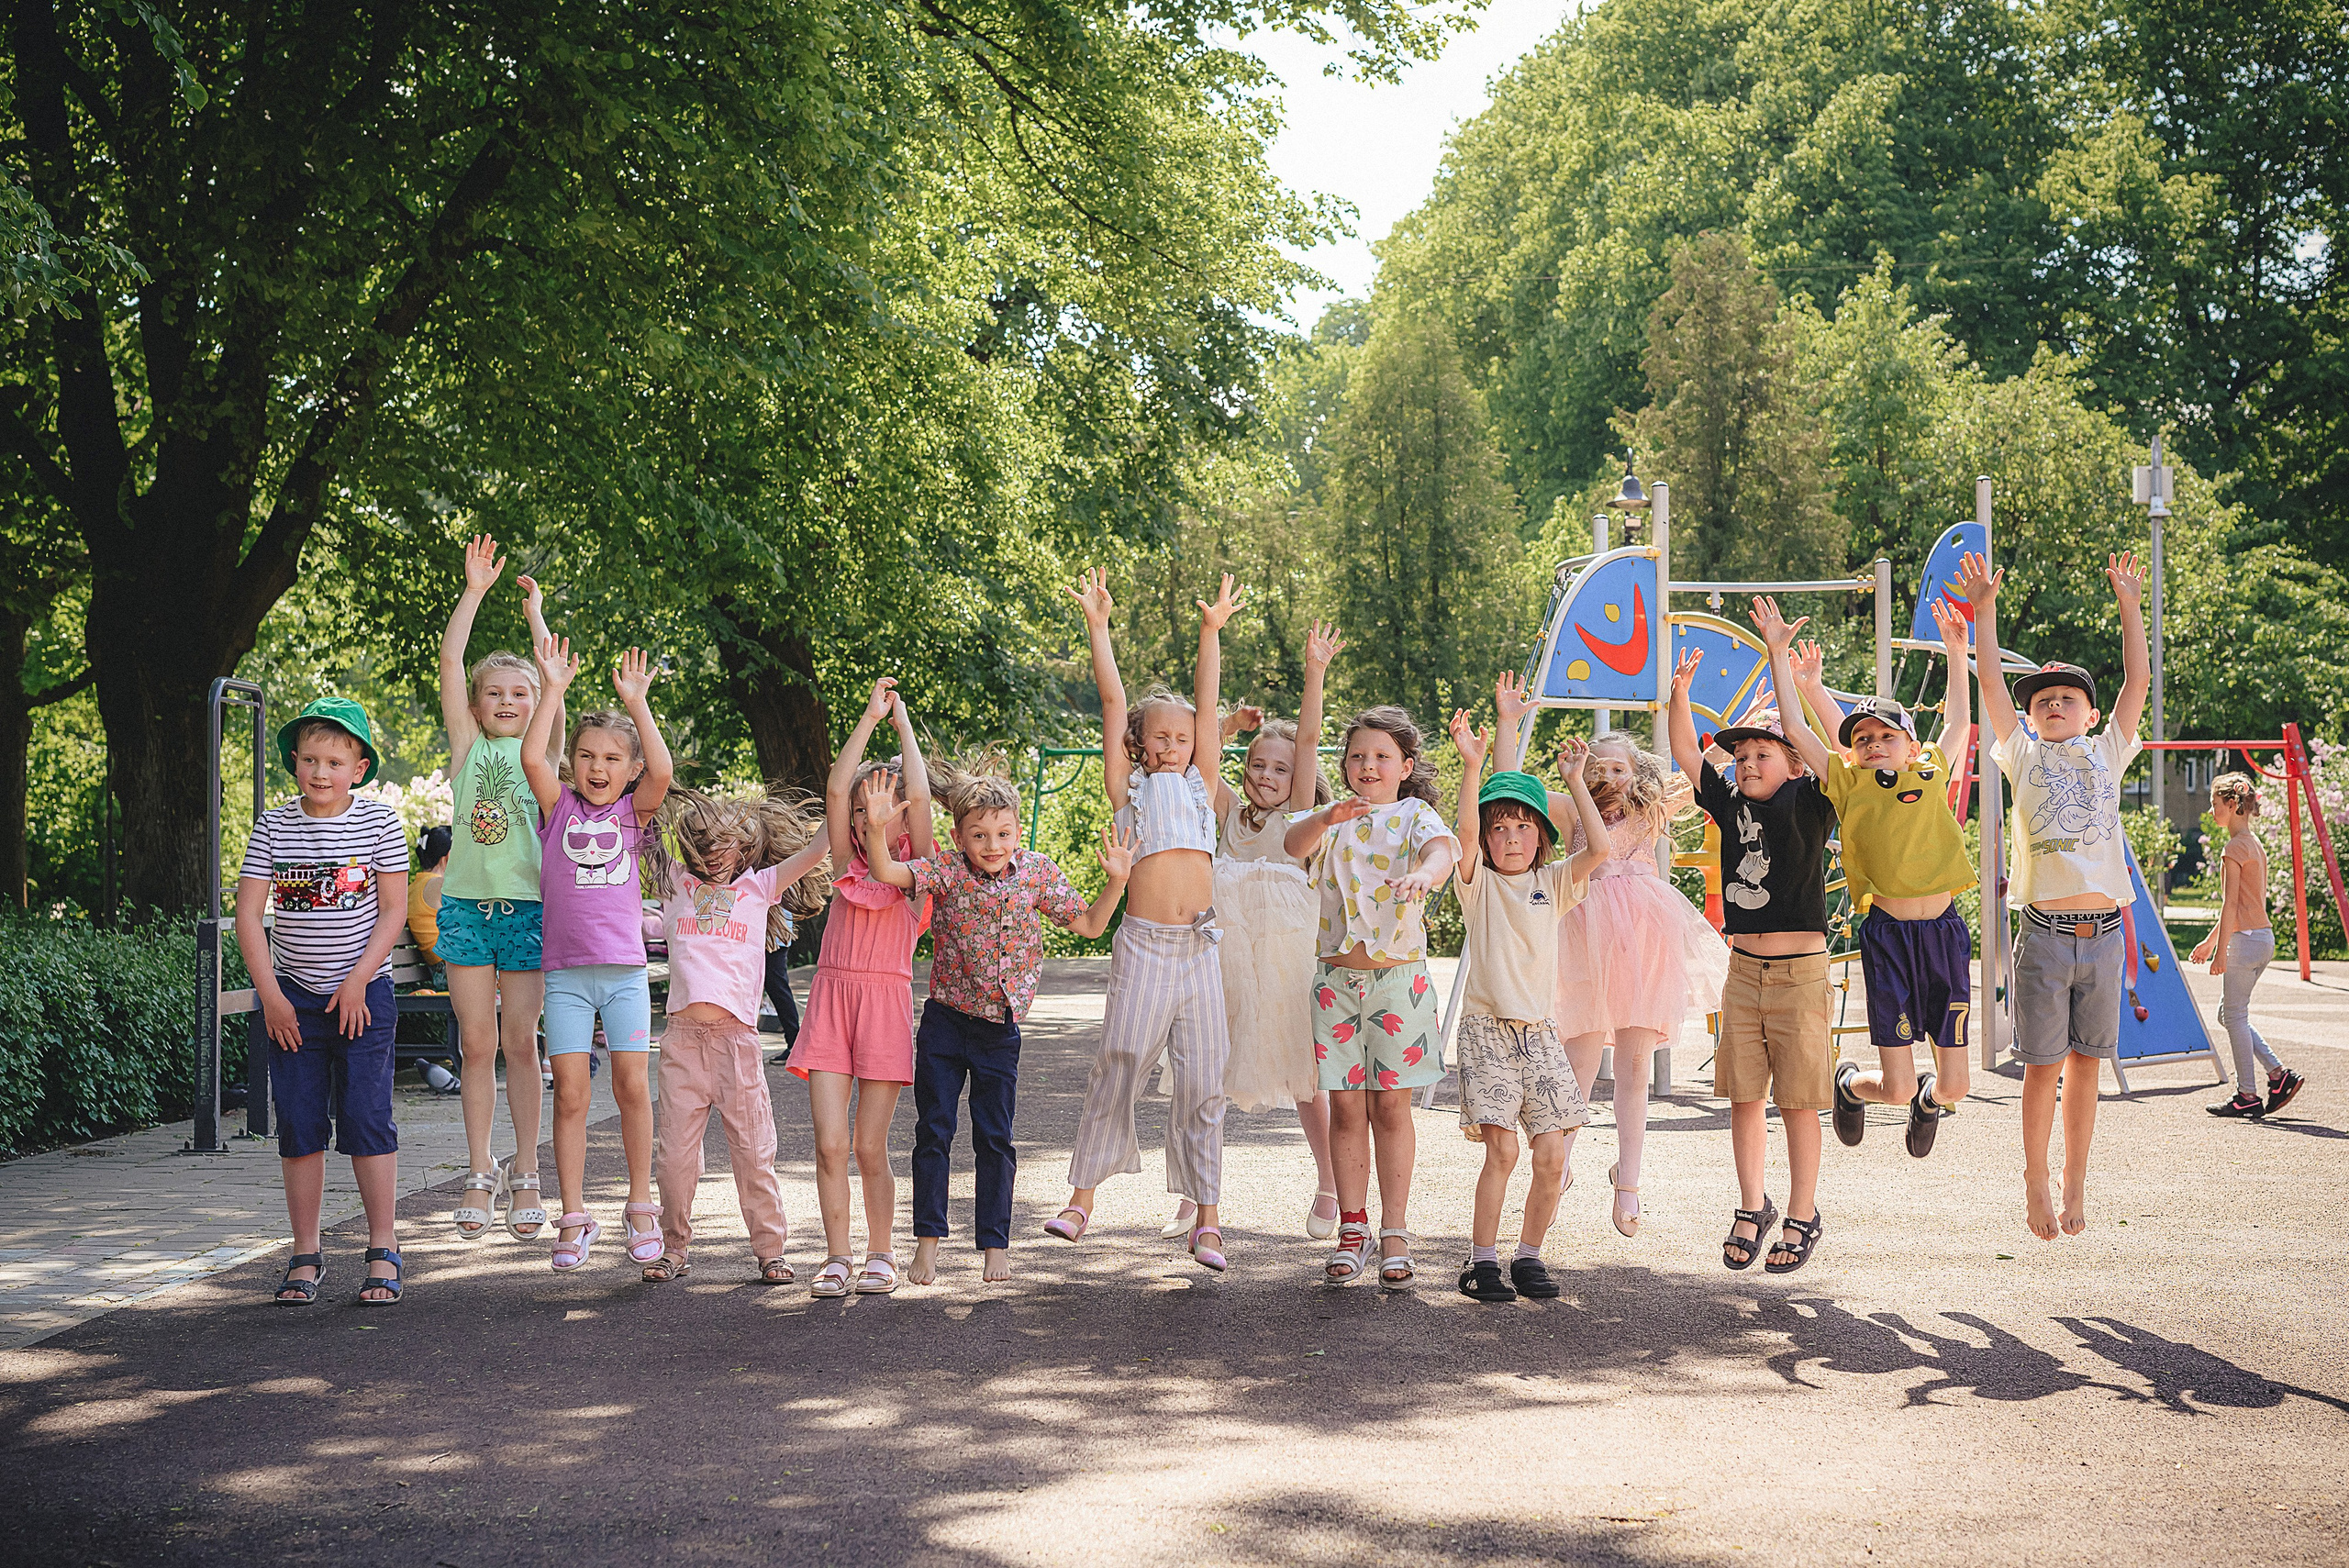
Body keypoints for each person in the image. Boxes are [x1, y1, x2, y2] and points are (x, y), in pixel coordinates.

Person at [861, 766, 1131, 1285]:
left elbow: (1091, 925)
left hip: (999, 1030)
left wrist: (1117, 880)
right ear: (959, 835)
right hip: (945, 1022)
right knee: (933, 1133)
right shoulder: (946, 871)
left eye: (1003, 834)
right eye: (979, 835)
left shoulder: (1037, 874)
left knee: (995, 1139)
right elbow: (888, 874)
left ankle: (995, 1247)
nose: (992, 844)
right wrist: (876, 831)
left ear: (1018, 833)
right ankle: (927, 1247)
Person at [1494, 675, 1728, 1238]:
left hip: (1644, 938)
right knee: (1577, 1061)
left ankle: (1629, 1177)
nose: (1607, 778)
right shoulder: (1572, 813)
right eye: (1596, 769)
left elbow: (1700, 763)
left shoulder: (1651, 810)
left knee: (1633, 1064)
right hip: (1583, 940)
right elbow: (1507, 788)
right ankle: (1564, 1157)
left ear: (1636, 773)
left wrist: (1728, 726)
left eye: (1618, 769)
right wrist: (1508, 723)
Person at [1959, 549, 2149, 1240]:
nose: (2056, 704)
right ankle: (2035, 1181)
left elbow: (2138, 679)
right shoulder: (2023, 754)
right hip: (2042, 934)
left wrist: (2130, 602)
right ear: (2032, 718)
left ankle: (2075, 1182)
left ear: (2092, 713)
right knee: (2042, 1067)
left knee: (2087, 1067)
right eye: (2044, 700)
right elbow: (1990, 687)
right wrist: (1984, 610)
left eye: (2070, 697)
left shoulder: (2108, 750)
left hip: (2102, 935)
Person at [1052, 569, 1238, 1273]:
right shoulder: (1127, 789)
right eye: (1156, 737)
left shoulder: (1202, 784)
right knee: (1121, 1060)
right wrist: (1098, 628)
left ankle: (1208, 1220)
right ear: (1138, 744)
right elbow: (1112, 698)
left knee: (1203, 1081)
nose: (1169, 745)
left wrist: (1210, 631)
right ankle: (1081, 1197)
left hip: (1200, 950)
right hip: (1144, 947)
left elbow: (1210, 698)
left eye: (1182, 736)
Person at [1159, 617, 1344, 1244]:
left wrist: (1313, 672)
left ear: (1297, 778)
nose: (1266, 775)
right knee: (1200, 1069)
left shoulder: (1298, 817)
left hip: (1284, 963)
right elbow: (1199, 746)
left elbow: (1312, 737)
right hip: (1222, 957)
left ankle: (1331, 1183)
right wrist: (1228, 724)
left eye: (1279, 768)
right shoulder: (1229, 810)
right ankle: (1191, 1193)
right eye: (1258, 763)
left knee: (1303, 1076)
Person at [1774, 600, 1979, 1158]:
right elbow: (1796, 727)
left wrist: (1958, 650)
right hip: (1889, 936)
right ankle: (1847, 1085)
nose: (1871, 744)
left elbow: (1959, 719)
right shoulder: (1846, 782)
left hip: (1942, 935)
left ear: (1911, 746)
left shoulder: (1933, 767)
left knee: (1955, 1086)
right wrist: (1785, 661)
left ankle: (1930, 1103)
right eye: (1861, 739)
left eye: (1884, 736)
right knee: (1895, 1087)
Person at [1674, 611, 1838, 1273]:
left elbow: (1823, 748)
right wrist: (1679, 697)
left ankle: (1803, 1211)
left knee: (1798, 1099)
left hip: (1799, 972)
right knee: (1745, 1096)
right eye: (1740, 756)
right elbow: (1690, 753)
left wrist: (1782, 660)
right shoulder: (1731, 804)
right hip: (1744, 971)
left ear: (1794, 762)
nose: (1745, 763)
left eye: (1760, 754)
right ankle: (1752, 1203)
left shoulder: (1811, 800)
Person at [234, 697, 411, 1305]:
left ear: (358, 768)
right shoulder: (273, 826)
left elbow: (394, 911)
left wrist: (360, 978)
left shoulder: (381, 824)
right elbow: (249, 916)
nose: (320, 771)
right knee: (301, 1123)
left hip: (364, 995)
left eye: (334, 760)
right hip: (294, 1002)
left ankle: (382, 1247)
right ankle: (305, 1253)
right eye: (309, 758)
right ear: (294, 762)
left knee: (365, 1117)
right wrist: (272, 996)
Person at [1285, 705, 1460, 1288]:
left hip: (1398, 983)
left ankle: (1396, 1231)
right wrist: (1325, 815)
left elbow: (1444, 851)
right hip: (1335, 985)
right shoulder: (1330, 818)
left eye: (1383, 756)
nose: (1369, 765)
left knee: (1391, 1108)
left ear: (1405, 766)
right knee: (1346, 1109)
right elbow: (1292, 843)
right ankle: (1352, 1228)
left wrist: (1424, 877)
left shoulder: (1415, 814)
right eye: (1358, 755)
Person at [520, 635, 674, 1270]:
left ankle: (641, 1205)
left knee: (633, 1085)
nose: (597, 765)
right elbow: (534, 757)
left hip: (625, 977)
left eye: (612, 757)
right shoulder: (559, 808)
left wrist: (637, 705)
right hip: (565, 980)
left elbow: (662, 770)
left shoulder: (635, 814)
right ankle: (575, 1215)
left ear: (629, 767)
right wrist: (551, 687)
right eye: (586, 754)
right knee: (572, 1095)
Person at [1446, 718, 1610, 1304]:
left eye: (1522, 827)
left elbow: (1601, 848)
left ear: (1540, 836)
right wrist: (1472, 765)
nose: (1510, 838)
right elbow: (1464, 836)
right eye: (1499, 830)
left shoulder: (1555, 882)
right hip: (1487, 1033)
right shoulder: (1478, 885)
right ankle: (1481, 1260)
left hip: (1540, 1035)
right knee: (1504, 1150)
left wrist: (1576, 781)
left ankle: (1529, 1254)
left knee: (1551, 1153)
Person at [638, 790, 829, 1282]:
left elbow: (817, 849)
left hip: (736, 1043)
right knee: (674, 1157)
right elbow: (640, 820)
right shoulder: (675, 883)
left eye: (724, 839)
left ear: (744, 847)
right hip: (682, 1042)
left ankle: (770, 1252)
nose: (713, 848)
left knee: (753, 1151)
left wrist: (847, 787)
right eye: (702, 838)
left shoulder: (759, 886)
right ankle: (674, 1247)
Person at [795, 677, 937, 1297]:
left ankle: (882, 1250)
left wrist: (903, 728)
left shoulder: (916, 873)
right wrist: (868, 718)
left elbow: (924, 797)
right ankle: (836, 1254)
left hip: (882, 1007)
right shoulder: (844, 865)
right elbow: (834, 785)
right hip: (831, 1003)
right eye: (860, 809)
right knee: (829, 1143)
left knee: (867, 1144)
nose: (867, 815)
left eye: (883, 805)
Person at [438, 535, 558, 1245]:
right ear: (478, 706)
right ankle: (478, 1169)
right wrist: (475, 591)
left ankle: (527, 1170)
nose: (508, 701)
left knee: (522, 1043)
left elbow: (551, 675)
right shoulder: (467, 747)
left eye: (520, 694)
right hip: (465, 911)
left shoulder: (541, 750)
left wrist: (538, 616)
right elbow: (453, 660)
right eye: (496, 694)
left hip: (530, 911)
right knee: (475, 1043)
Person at [2196, 773, 2306, 1118]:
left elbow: (2230, 905)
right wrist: (2211, 941)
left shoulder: (2233, 849)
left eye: (2214, 804)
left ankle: (2247, 1094)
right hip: (2263, 939)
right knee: (2229, 1015)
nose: (2211, 810)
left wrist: (2220, 953)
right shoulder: (2254, 844)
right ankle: (2278, 1075)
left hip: (2243, 944)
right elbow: (2242, 904)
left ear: (2232, 804)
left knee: (2235, 1017)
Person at [407, 826, 451, 968]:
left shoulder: (414, 887)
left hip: (441, 968)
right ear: (449, 856)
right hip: (453, 967)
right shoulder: (439, 885)